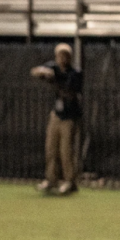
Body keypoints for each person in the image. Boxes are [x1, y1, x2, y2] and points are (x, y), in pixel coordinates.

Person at [31, 43, 83, 195]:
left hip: (69, 116)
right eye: (60, 55)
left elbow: (69, 91)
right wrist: (43, 72)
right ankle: (51, 179)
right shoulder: (53, 67)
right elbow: (35, 71)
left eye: (65, 55)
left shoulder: (75, 73)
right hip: (56, 115)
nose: (62, 58)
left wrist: (54, 80)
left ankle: (70, 181)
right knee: (51, 148)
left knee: (66, 151)